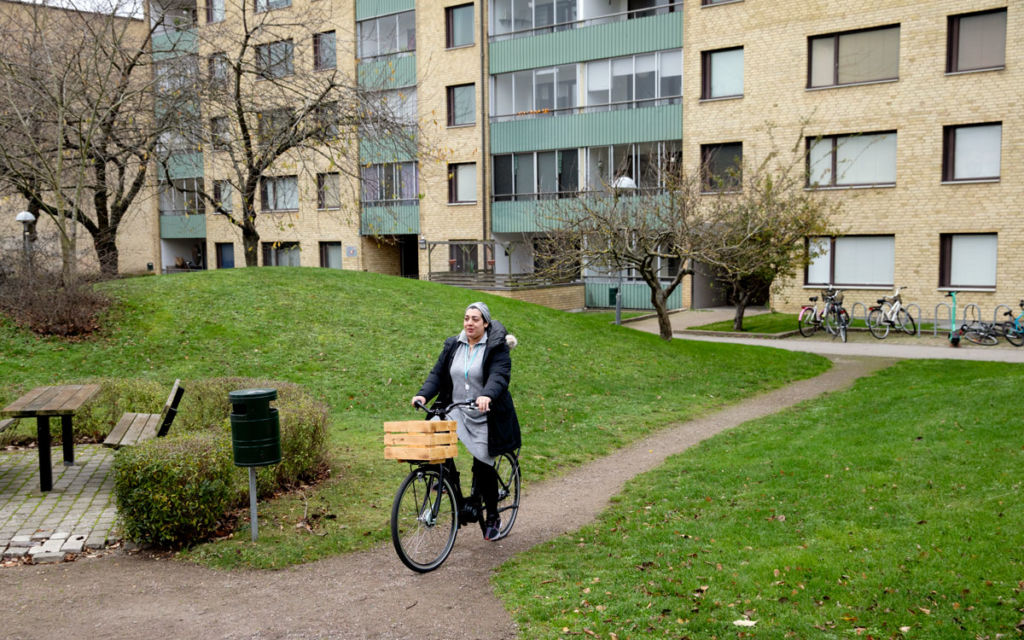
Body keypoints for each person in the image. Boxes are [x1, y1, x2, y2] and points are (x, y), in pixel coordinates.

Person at [411, 301, 520, 541]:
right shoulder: (454, 345)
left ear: (486, 323)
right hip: (457, 408)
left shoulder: (496, 347)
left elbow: (499, 376)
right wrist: (423, 394)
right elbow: (438, 374)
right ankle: (445, 479)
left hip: (484, 413)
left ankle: (492, 517)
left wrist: (487, 395)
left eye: (475, 319)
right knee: (435, 427)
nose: (469, 323)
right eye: (466, 318)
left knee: (484, 462)